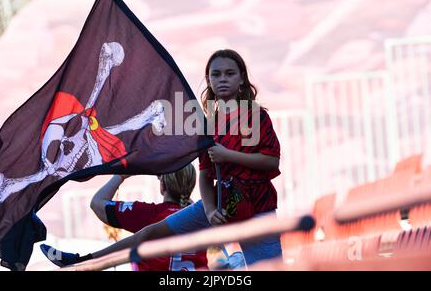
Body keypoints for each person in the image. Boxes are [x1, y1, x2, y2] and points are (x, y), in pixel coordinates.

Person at [41, 49, 282, 268]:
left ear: (242, 78)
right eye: (216, 74)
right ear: (209, 80)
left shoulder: (254, 116)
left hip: (258, 211)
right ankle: (86, 263)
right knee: (149, 234)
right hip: (220, 207)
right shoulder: (209, 125)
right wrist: (209, 210)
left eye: (230, 73)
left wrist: (227, 155)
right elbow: (206, 176)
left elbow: (270, 162)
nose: (222, 79)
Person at [41, 163, 207, 271]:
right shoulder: (202, 216)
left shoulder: (148, 214)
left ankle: (84, 261)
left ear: (163, 185)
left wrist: (121, 175)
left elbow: (98, 203)